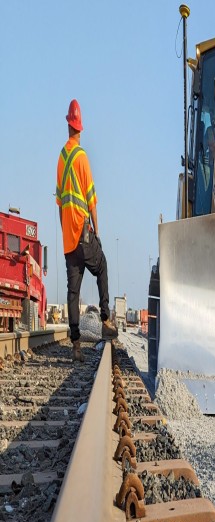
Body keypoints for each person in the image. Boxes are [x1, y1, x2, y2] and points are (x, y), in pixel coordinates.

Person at [55, 99, 117, 362]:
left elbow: (60, 202)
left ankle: (76, 346)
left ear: (68, 126)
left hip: (68, 237)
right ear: (80, 128)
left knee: (73, 292)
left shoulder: (61, 158)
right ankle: (105, 320)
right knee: (101, 266)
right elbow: (91, 200)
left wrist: (64, 231)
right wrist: (96, 232)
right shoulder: (82, 158)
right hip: (83, 233)